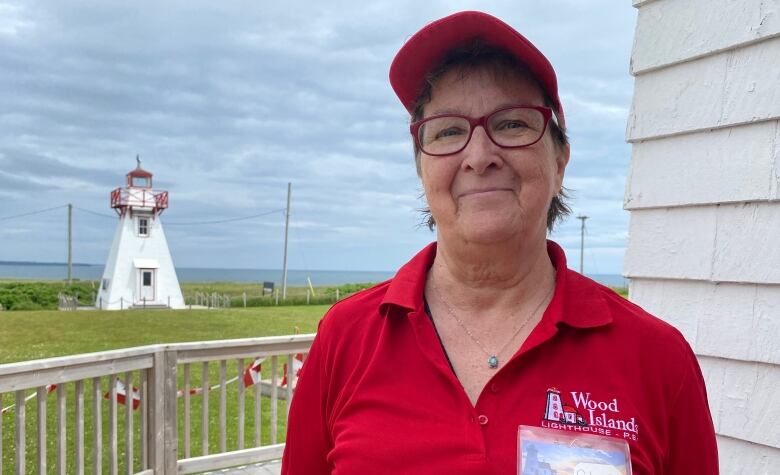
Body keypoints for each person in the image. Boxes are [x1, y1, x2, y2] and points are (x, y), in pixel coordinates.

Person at [282, 11, 718, 474]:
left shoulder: (657, 358)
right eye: (448, 131)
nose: (479, 156)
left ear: (560, 160)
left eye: (511, 124)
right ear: (421, 168)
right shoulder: (346, 338)